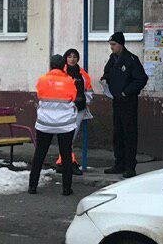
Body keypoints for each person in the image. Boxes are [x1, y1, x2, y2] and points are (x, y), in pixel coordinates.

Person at [29, 54, 78, 196]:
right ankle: (66, 189)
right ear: (64, 66)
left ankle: (32, 186)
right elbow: (73, 97)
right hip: (65, 124)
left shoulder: (42, 80)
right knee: (66, 155)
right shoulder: (69, 81)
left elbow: (39, 95)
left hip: (45, 123)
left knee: (39, 154)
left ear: (50, 65)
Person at [101, 32, 148, 177]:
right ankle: (119, 163)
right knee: (118, 134)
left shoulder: (131, 59)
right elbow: (107, 72)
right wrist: (104, 79)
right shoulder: (113, 58)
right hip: (116, 101)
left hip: (128, 102)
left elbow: (141, 79)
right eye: (110, 45)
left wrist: (126, 92)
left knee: (129, 134)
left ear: (121, 44)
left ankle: (130, 167)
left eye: (114, 44)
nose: (111, 47)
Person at [57, 49, 93, 175]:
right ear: (65, 58)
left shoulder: (82, 73)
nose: (72, 59)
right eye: (69, 56)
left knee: (70, 138)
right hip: (65, 109)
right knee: (67, 138)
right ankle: (67, 163)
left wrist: (85, 100)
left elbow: (88, 90)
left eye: (74, 57)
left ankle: (64, 162)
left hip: (79, 109)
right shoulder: (61, 73)